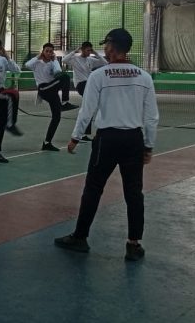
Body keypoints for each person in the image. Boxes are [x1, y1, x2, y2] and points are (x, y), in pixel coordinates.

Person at [54, 28, 159, 262]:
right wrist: (148, 146)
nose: (104, 49)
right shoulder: (144, 77)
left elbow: (87, 110)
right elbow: (151, 117)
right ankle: (133, 244)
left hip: (107, 141)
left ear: (111, 47)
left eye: (106, 45)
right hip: (133, 140)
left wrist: (75, 137)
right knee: (134, 192)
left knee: (93, 188)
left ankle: (80, 237)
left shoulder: (99, 76)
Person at [25, 43, 78, 152]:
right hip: (43, 88)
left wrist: (55, 60)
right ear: (43, 51)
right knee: (65, 77)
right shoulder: (37, 63)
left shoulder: (52, 63)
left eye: (51, 51)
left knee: (57, 117)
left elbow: (58, 71)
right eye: (47, 51)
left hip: (52, 91)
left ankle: (47, 143)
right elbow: (27, 65)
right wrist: (38, 57)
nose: (49, 53)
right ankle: (65, 102)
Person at [62, 41, 107, 141]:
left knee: (89, 108)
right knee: (89, 107)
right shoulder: (75, 59)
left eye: (90, 50)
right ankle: (81, 133)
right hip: (81, 84)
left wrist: (95, 53)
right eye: (87, 50)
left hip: (89, 84)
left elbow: (105, 63)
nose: (89, 52)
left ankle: (84, 134)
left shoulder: (90, 59)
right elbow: (64, 60)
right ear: (82, 50)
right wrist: (74, 51)